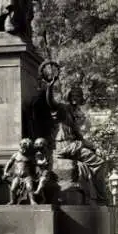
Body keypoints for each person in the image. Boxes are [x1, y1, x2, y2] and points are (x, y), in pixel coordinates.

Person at [46, 77, 108, 205]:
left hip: (73, 145)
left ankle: (97, 195)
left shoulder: (74, 113)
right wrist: (50, 86)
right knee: (100, 164)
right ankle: (101, 198)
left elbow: (79, 136)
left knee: (98, 161)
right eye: (73, 95)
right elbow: (50, 102)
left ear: (81, 98)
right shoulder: (63, 108)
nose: (75, 98)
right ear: (69, 97)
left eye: (78, 96)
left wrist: (94, 146)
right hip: (64, 146)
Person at [3, 138, 37, 205]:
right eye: (21, 145)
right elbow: (9, 163)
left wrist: (34, 175)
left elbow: (34, 166)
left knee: (30, 187)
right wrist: (5, 171)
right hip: (17, 176)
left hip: (27, 176)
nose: (22, 148)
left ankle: (32, 200)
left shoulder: (30, 156)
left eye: (25, 147)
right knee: (13, 189)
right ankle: (12, 200)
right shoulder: (16, 155)